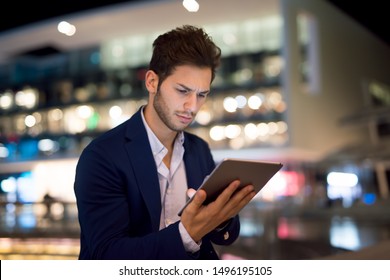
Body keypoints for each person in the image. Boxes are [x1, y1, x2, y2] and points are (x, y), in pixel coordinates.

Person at [74, 25, 256, 260]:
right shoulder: (102, 156)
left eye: (202, 95)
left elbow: (227, 235)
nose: (192, 106)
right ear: (151, 82)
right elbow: (107, 255)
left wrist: (222, 215)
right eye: (182, 91)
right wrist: (187, 233)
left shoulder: (199, 149)